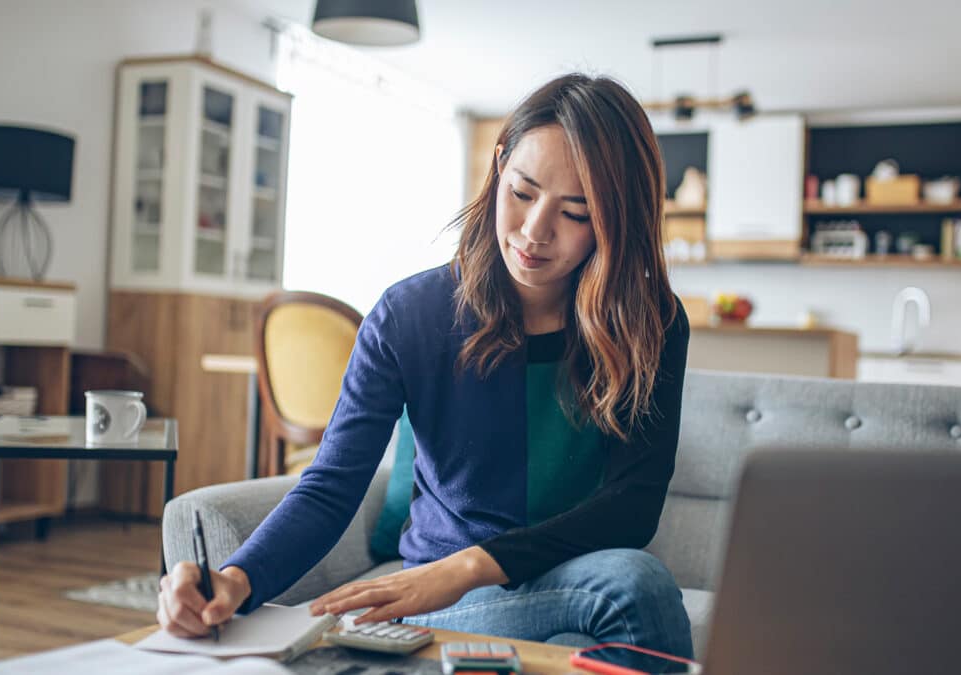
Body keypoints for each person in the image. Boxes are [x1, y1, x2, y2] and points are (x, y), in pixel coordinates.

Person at [157, 72, 693, 659]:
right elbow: (332, 486)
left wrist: (465, 566)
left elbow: (633, 506)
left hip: (555, 577)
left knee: (601, 609)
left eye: (576, 212)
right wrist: (234, 581)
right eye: (522, 193)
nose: (535, 232)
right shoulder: (410, 315)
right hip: (450, 597)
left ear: (617, 221)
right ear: (498, 166)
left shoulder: (650, 322)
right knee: (633, 590)